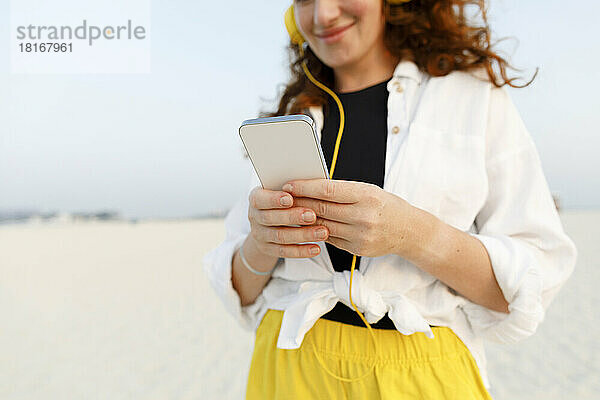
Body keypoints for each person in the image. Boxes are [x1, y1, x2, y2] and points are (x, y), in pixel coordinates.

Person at [203, 0, 578, 398]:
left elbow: (529, 285)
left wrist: (411, 234)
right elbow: (241, 293)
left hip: (425, 373)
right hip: (287, 365)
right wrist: (260, 245)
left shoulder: (472, 97)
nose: (323, 15)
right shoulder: (294, 115)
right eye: (305, 0)